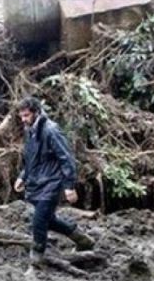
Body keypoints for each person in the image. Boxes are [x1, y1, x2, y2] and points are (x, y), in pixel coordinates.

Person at [13, 96, 94, 265]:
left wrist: (69, 186)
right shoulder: (30, 131)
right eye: (21, 116)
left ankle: (37, 259)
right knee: (48, 220)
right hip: (37, 183)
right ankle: (83, 240)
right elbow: (30, 158)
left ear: (36, 112)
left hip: (52, 183)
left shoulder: (51, 130)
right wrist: (23, 176)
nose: (23, 120)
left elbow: (67, 158)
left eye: (26, 115)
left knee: (38, 221)